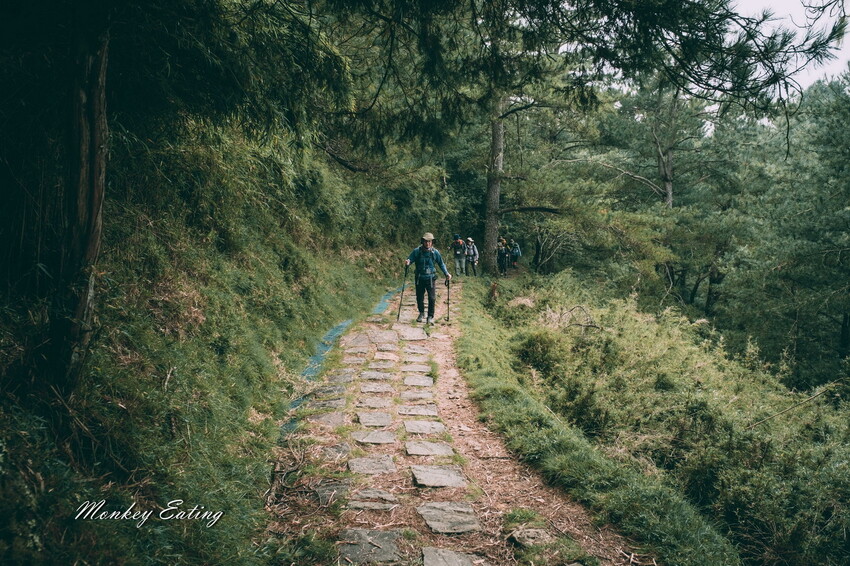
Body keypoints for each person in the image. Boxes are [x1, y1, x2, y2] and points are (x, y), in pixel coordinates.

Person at [405, 232, 451, 323]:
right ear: (423, 241)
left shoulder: (435, 252)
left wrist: (446, 273)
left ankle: (430, 316)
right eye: (426, 241)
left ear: (432, 242)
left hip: (431, 278)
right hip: (419, 277)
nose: (428, 243)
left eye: (430, 242)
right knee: (419, 297)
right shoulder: (417, 251)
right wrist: (408, 262)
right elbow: (410, 259)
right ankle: (421, 313)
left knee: (432, 298)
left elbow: (441, 263)